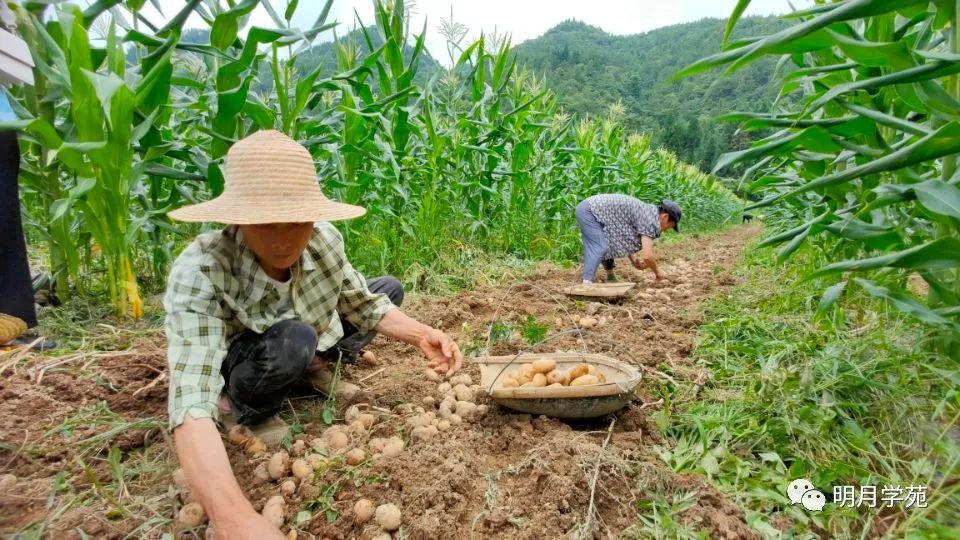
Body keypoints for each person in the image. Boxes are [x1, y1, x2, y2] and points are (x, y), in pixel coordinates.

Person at [164, 130, 463, 539]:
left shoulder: (323, 240)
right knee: (295, 339)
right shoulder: (201, 268)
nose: (284, 238)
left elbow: (364, 303)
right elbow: (189, 399)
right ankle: (250, 407)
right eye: (266, 224)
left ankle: (310, 367)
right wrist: (232, 518)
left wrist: (421, 335)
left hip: (307, 339)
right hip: (253, 358)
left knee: (387, 288)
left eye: (296, 221)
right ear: (236, 219)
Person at [575, 194, 681, 284]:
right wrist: (658, 273)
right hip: (589, 211)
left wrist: (633, 259)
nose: (666, 230)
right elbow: (648, 256)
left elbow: (621, 236)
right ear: (665, 217)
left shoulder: (647, 213)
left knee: (607, 241)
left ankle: (610, 277)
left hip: (591, 209)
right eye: (670, 226)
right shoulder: (651, 220)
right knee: (599, 246)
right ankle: (586, 283)